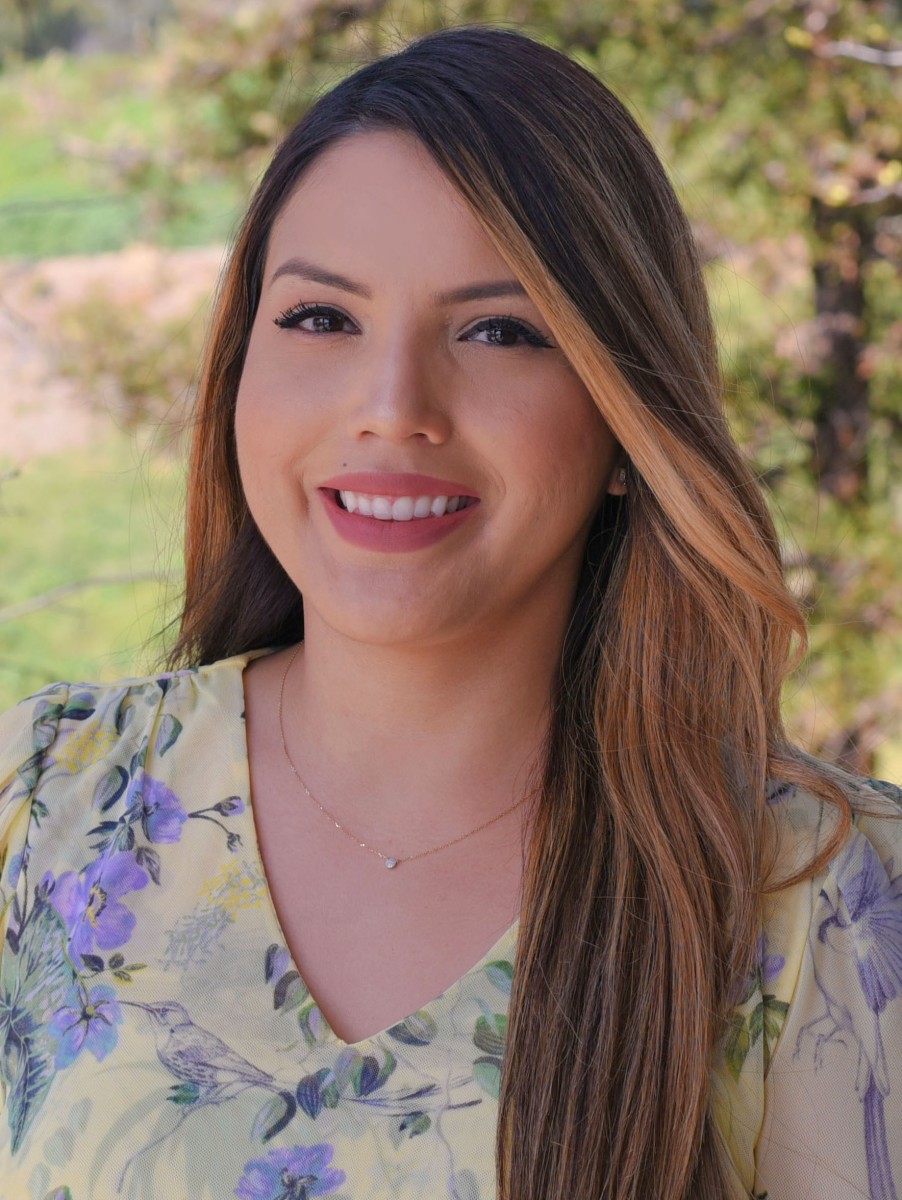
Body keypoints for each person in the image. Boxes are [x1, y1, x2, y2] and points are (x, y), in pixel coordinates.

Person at [1, 23, 900, 1200]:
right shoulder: (46, 805)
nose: (392, 406)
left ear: (627, 420)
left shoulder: (821, 896)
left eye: (498, 332)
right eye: (321, 318)